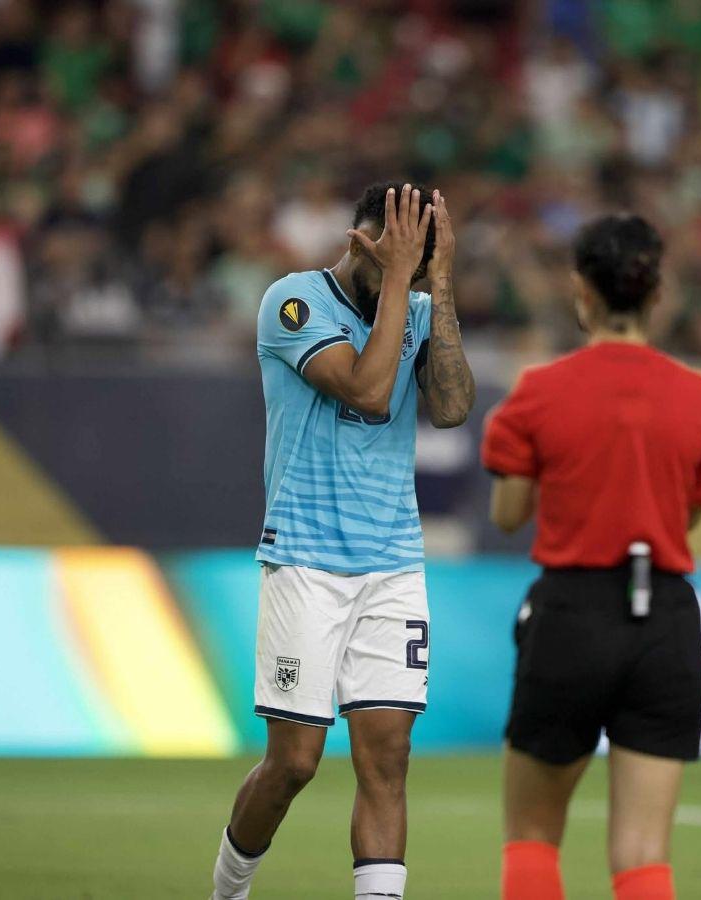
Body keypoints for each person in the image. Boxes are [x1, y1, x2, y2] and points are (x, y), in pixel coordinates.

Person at [209, 183, 475, 900]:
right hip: (306, 559)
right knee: (294, 762)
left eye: (420, 266)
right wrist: (398, 284)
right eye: (398, 261)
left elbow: (450, 407)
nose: (410, 278)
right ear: (360, 243)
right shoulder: (293, 304)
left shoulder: (418, 303)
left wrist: (438, 285)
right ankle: (228, 892)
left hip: (392, 563)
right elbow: (368, 391)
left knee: (387, 758)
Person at [482, 214, 701, 900]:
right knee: (643, 852)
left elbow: (507, 515)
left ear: (580, 290)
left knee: (532, 833)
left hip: (573, 612)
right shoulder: (697, 394)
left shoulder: (538, 391)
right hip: (667, 620)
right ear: (657, 292)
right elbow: (689, 512)